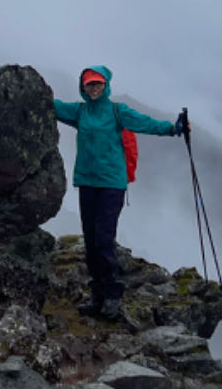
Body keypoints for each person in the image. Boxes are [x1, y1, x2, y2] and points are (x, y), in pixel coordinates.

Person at [50, 65, 188, 322]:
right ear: (83, 86)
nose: (93, 88)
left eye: (98, 84)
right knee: (91, 241)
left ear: (106, 85)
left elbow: (145, 123)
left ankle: (113, 295)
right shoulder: (79, 111)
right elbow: (53, 107)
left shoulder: (117, 111)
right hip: (87, 183)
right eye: (89, 84)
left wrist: (173, 128)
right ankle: (98, 296)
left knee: (103, 238)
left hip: (112, 184)